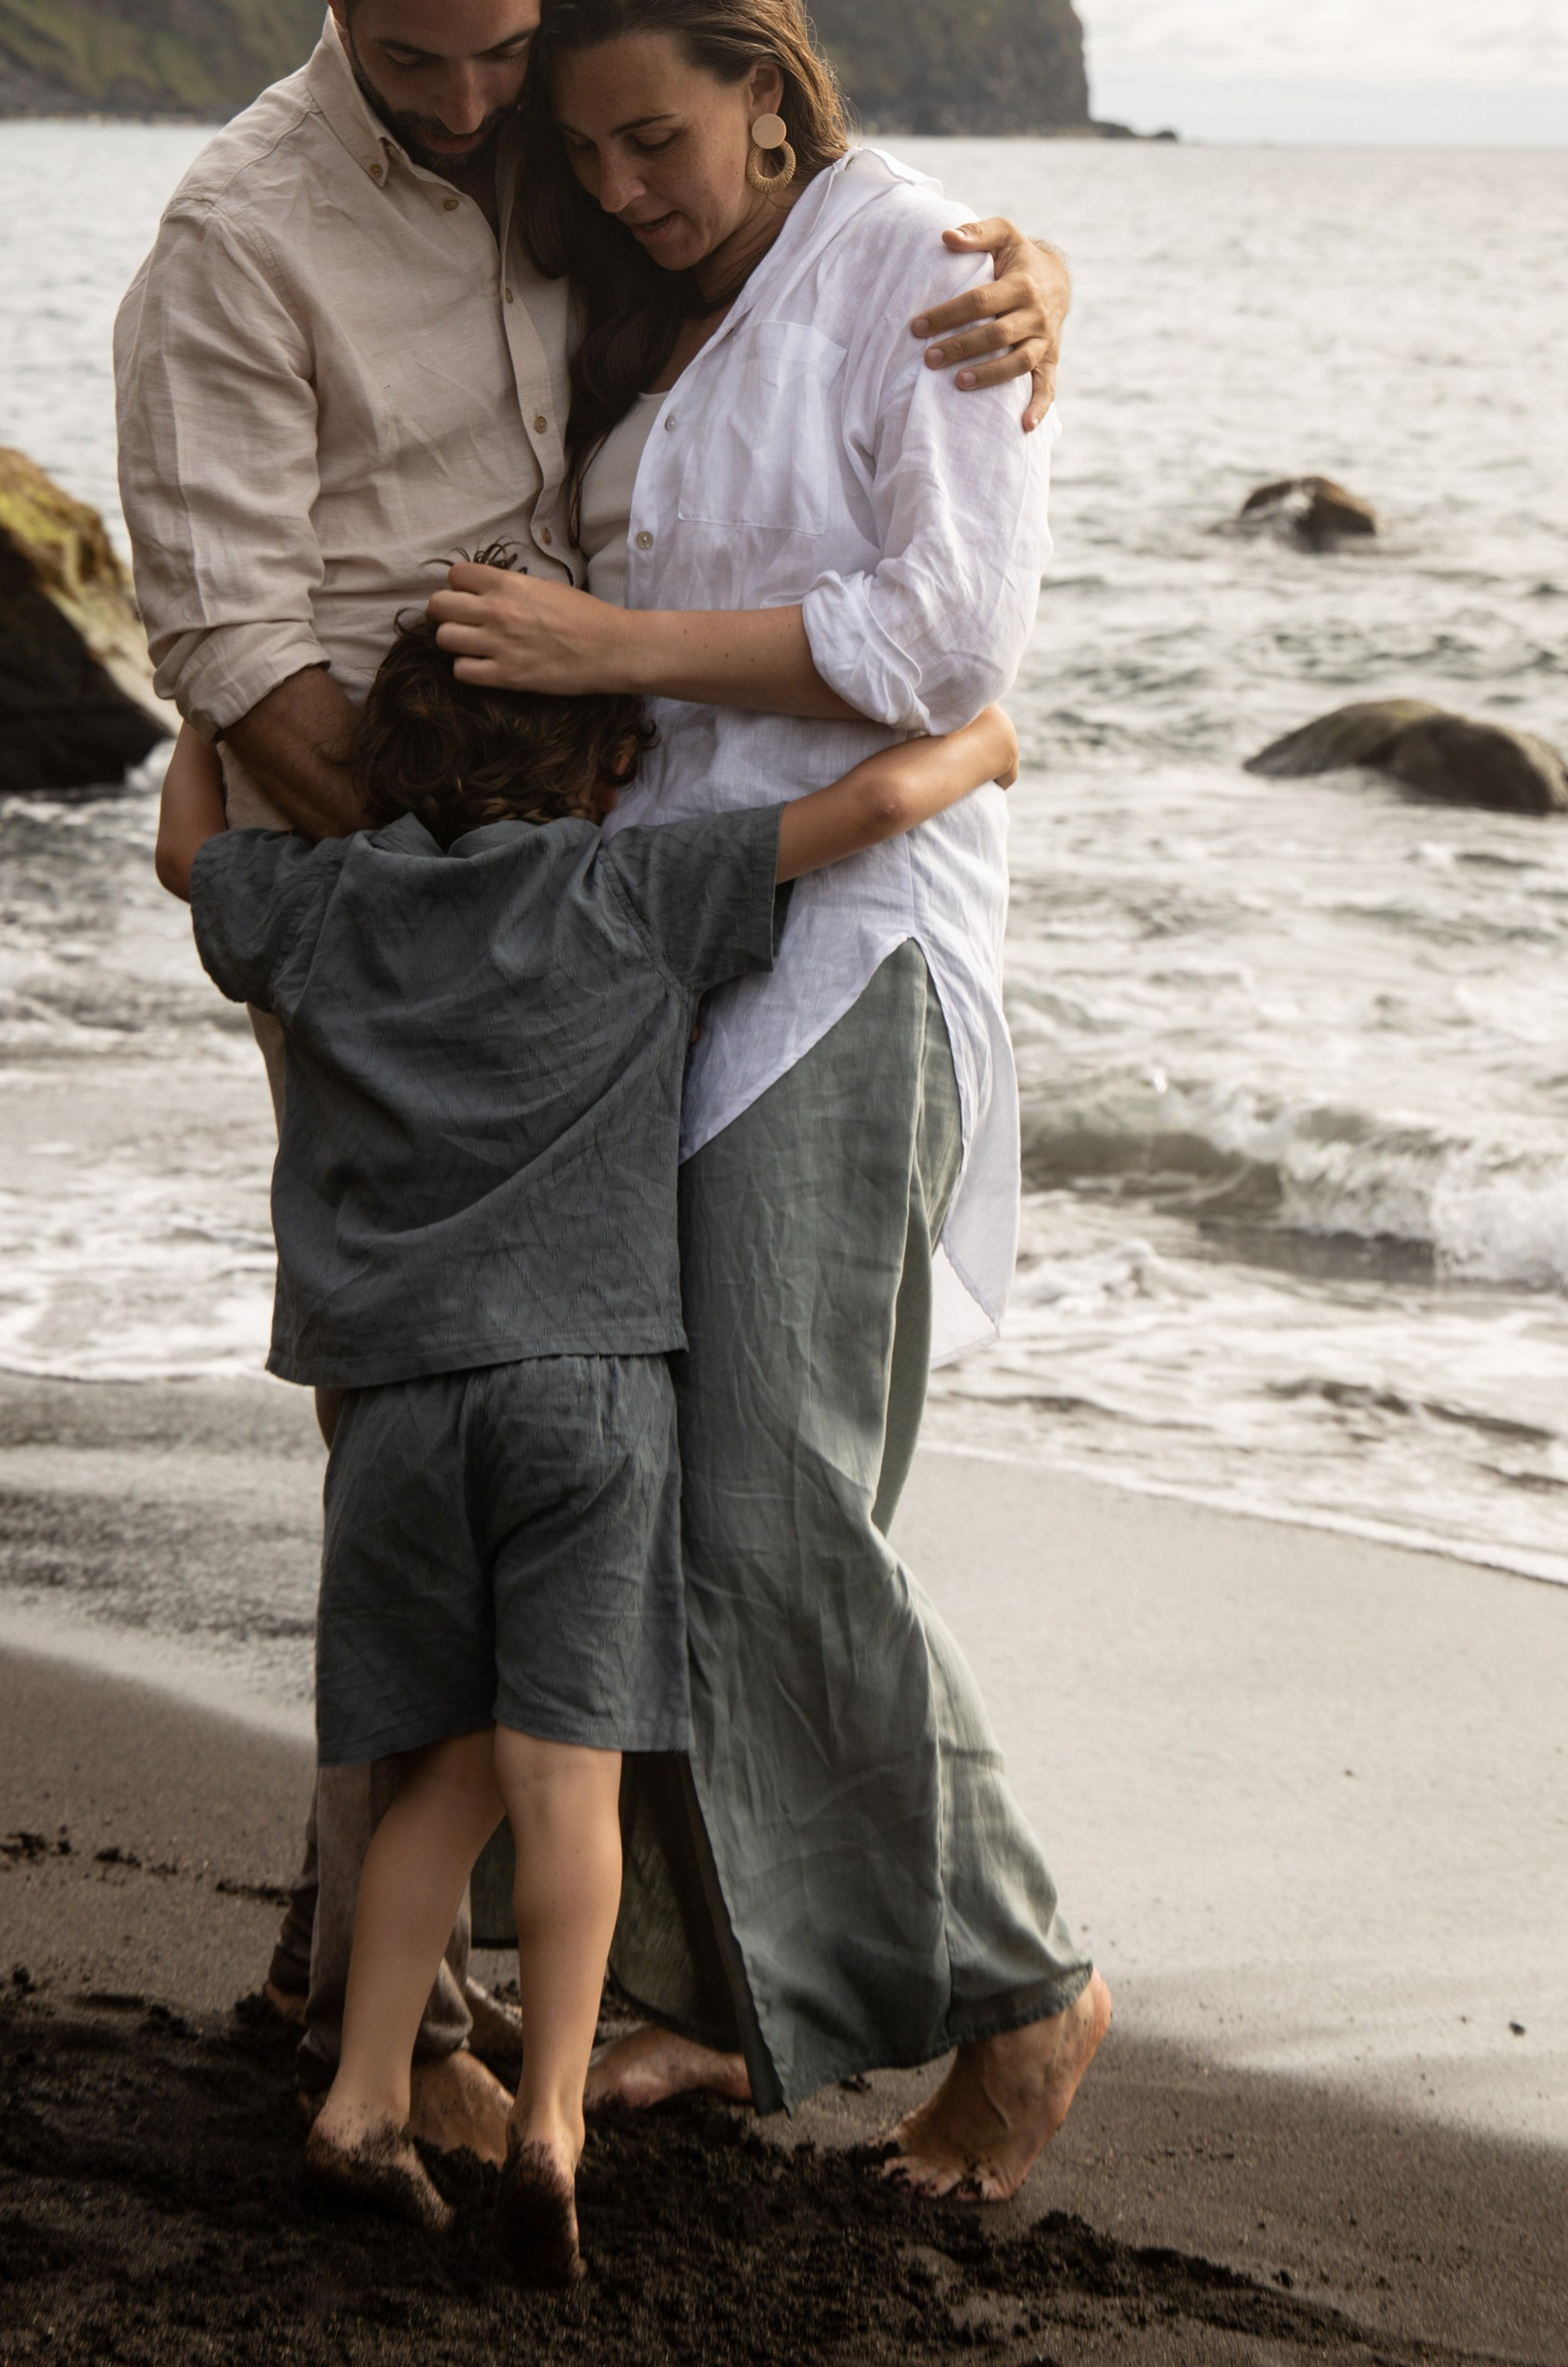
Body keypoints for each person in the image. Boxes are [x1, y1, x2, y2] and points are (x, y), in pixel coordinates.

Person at [111, 0, 1073, 2157]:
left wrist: (1029, 274)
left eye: (519, 72)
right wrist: (464, 916)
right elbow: (231, 651)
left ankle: (947, 1989)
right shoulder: (265, 238)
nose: (485, 117)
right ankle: (446, 1996)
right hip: (506, 938)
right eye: (431, 67)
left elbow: (936, 599)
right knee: (485, 1463)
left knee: (688, 1488)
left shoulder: (734, 224)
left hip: (722, 940)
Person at [421, 0, 1110, 2199]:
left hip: (848, 949)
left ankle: (1022, 1993)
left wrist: (611, 656)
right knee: (663, 1489)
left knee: (769, 1500)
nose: (620, 184)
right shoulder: (666, 302)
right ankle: (730, 1998)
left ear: (769, 92)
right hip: (668, 954)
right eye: (584, 149)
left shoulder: (919, 262)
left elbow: (947, 640)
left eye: (657, 137)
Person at [153, 590, 1022, 2282]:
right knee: (564, 1778)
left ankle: (361, 2101)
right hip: (587, 1402)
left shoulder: (326, 903)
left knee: (436, 1759)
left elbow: (189, 853)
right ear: (615, 771)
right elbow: (866, 807)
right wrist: (984, 742)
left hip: (397, 1411)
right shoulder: (632, 891)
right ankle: (549, 2125)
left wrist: (202, 705)